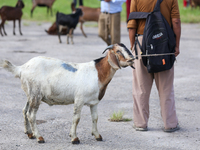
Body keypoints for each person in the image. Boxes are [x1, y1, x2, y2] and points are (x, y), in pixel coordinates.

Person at [127, 0, 181, 132]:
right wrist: (177, 45)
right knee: (166, 87)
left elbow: (132, 25)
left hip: (142, 43)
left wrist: (133, 45)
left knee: (140, 86)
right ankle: (170, 124)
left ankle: (140, 123)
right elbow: (176, 22)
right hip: (164, 43)